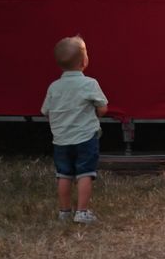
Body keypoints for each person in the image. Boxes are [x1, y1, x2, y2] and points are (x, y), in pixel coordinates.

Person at [41, 35, 108, 224]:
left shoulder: (54, 87)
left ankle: (64, 212)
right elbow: (103, 108)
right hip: (85, 138)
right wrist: (97, 113)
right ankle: (82, 212)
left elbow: (46, 112)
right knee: (85, 173)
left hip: (61, 140)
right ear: (84, 61)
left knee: (64, 174)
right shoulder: (90, 84)